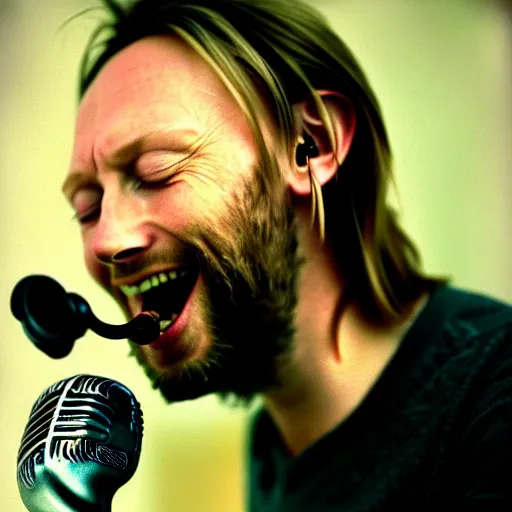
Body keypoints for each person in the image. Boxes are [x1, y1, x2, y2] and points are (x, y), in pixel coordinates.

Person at [61, 0, 512, 509]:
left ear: (310, 145)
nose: (107, 240)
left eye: (156, 170)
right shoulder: (269, 446)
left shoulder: (495, 391)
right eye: (88, 207)